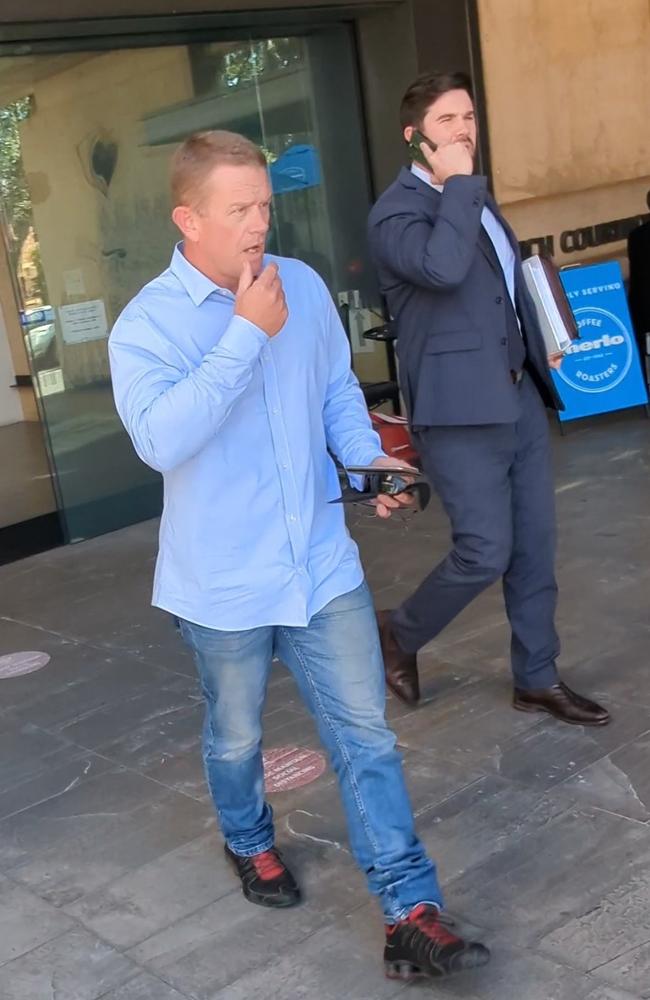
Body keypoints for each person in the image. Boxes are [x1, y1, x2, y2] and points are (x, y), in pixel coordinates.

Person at [108, 130, 490, 981]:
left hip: (321, 563)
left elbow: (335, 395)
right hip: (222, 584)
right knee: (236, 736)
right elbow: (162, 441)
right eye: (237, 209)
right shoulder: (146, 327)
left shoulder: (305, 288)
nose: (257, 224)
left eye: (265, 206)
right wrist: (244, 332)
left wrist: (367, 464)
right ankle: (248, 840)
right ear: (188, 218)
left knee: (367, 738)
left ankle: (410, 908)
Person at [368, 71, 610, 727]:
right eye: (447, 121)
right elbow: (442, 269)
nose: (464, 130)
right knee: (484, 551)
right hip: (458, 415)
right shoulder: (396, 213)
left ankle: (537, 677)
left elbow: (501, 286)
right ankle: (399, 631)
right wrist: (457, 183)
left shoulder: (470, 199)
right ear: (413, 135)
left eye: (469, 117)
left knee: (535, 548)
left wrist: (541, 340)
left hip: (517, 397)